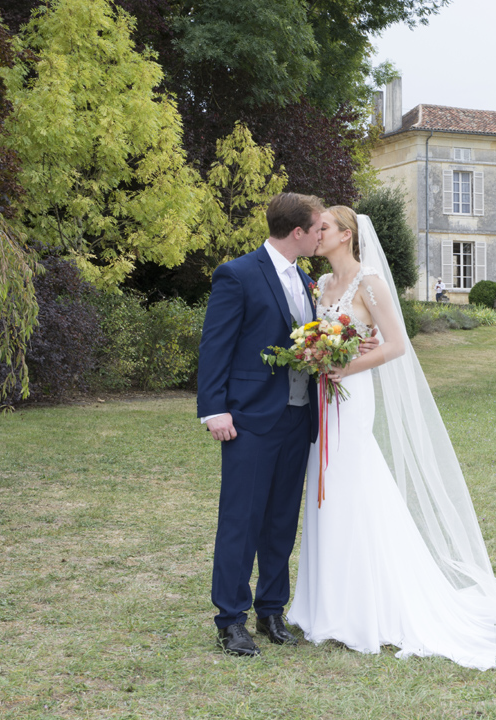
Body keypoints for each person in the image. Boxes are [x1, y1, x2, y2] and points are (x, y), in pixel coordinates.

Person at [286, 207, 496, 670]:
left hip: (351, 393)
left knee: (349, 485)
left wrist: (343, 365)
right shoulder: (321, 286)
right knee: (325, 494)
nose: (315, 233)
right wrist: (315, 352)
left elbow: (396, 344)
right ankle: (324, 604)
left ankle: (365, 609)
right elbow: (319, 333)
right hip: (323, 398)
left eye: (323, 227)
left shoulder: (370, 282)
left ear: (346, 235)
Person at [196, 193, 325, 657]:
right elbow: (216, 346)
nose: (319, 237)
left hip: (297, 418)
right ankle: (230, 620)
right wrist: (215, 410)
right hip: (249, 419)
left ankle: (271, 610)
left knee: (280, 521)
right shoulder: (238, 274)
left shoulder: (308, 280)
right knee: (241, 521)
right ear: (297, 232)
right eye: (316, 229)